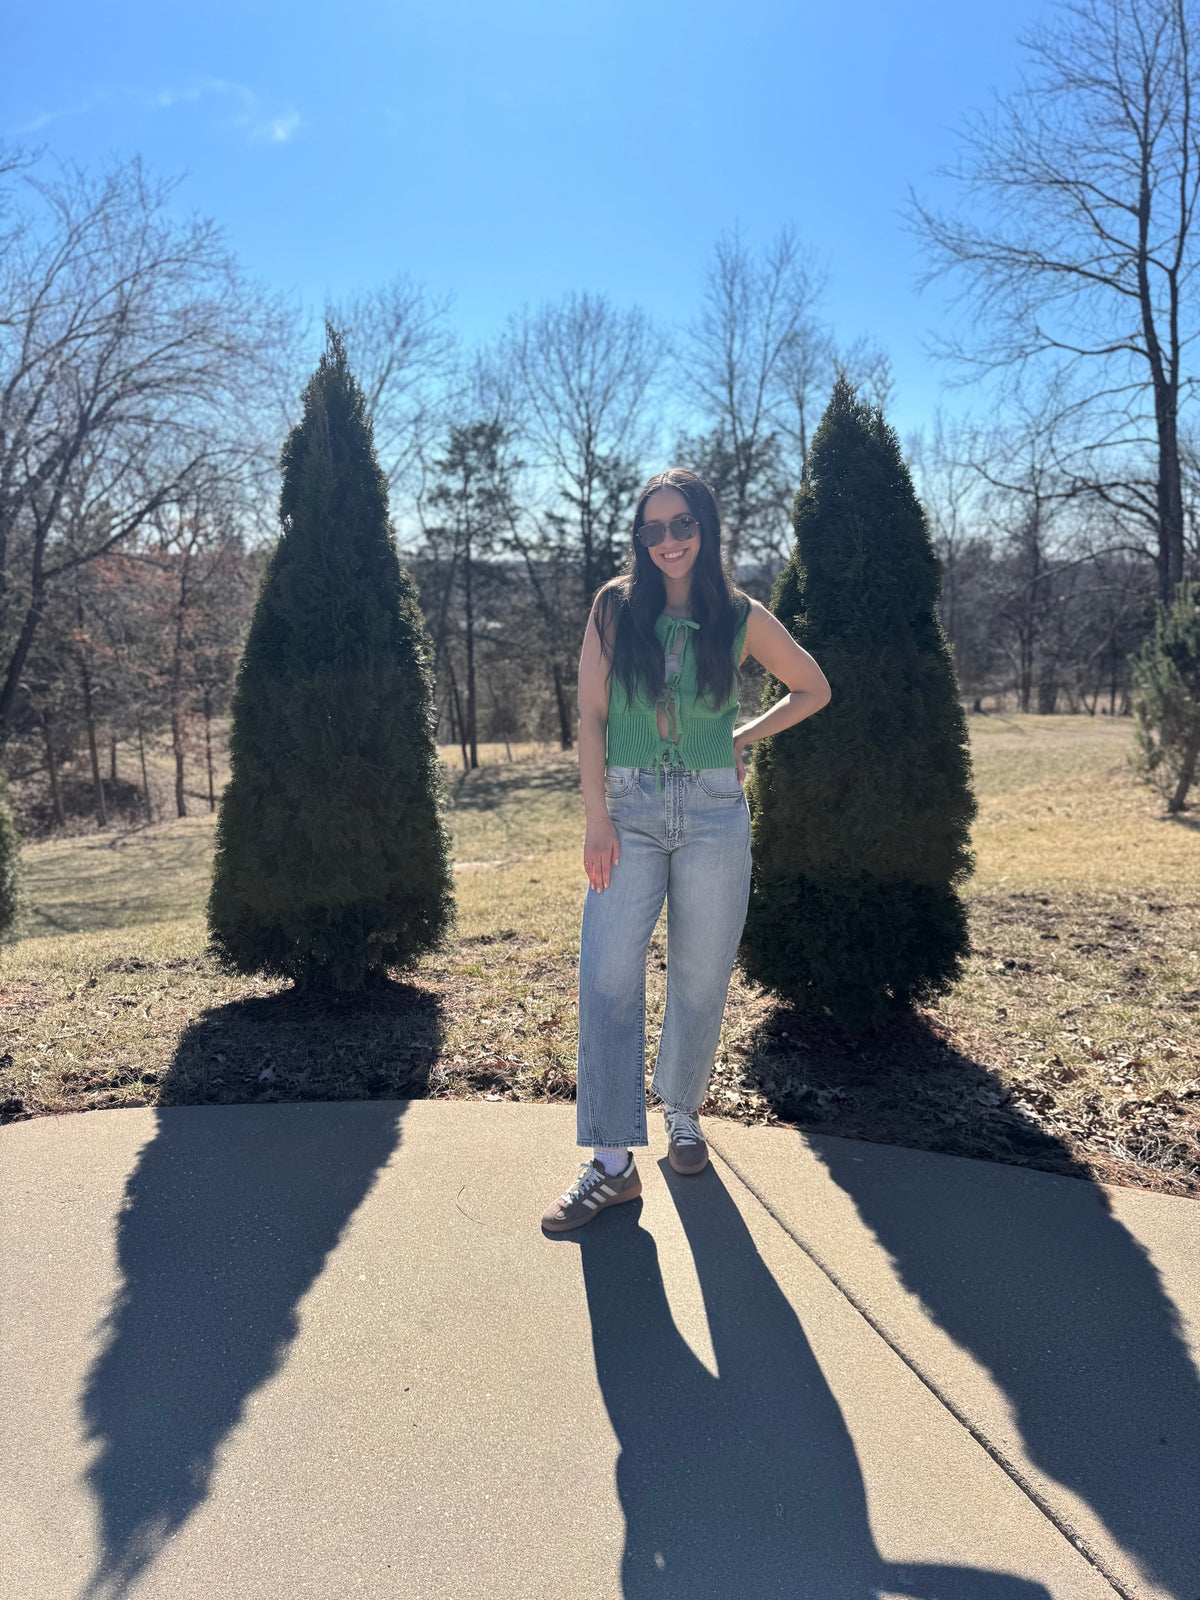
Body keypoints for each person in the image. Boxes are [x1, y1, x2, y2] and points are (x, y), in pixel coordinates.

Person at [541, 468, 832, 1232]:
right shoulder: (613, 608)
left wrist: (742, 735)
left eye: (682, 525)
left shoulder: (737, 614)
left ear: (706, 530)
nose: (667, 541)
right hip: (629, 811)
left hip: (712, 815)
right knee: (605, 974)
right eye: (653, 528)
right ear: (641, 537)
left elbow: (812, 687)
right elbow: (591, 719)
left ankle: (682, 1115)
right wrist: (596, 819)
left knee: (701, 980)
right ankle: (610, 1164)